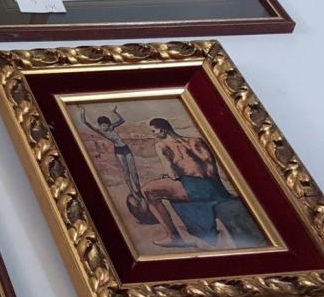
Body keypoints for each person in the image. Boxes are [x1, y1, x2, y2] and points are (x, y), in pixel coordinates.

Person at [141, 118, 252, 249]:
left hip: (195, 187)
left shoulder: (162, 145)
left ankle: (172, 237)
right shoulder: (196, 140)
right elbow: (212, 169)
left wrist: (168, 176)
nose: (153, 135)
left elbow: (173, 175)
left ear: (162, 130)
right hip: (216, 187)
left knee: (147, 190)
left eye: (154, 131)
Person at [78, 106, 142, 197]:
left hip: (125, 148)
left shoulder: (111, 127)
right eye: (102, 125)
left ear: (108, 124)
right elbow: (85, 122)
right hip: (118, 150)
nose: (104, 127)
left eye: (106, 125)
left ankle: (139, 190)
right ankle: (132, 191)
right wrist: (82, 111)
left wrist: (115, 112)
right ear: (100, 125)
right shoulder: (100, 131)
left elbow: (122, 120)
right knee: (126, 171)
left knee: (133, 171)